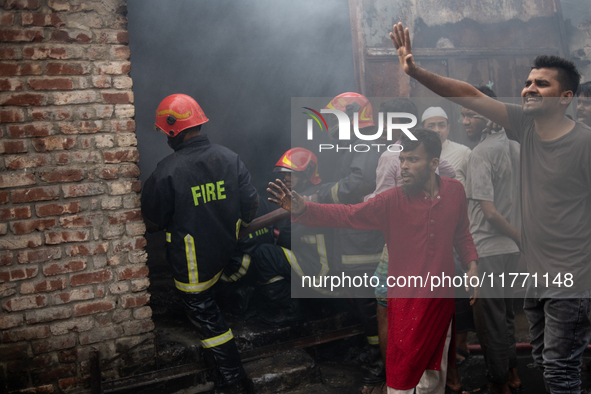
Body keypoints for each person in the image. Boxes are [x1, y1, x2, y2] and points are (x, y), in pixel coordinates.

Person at [390, 22, 591, 394]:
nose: (529, 88)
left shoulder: (584, 145)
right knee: (547, 362)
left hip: (573, 280)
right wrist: (414, 71)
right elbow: (467, 93)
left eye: (541, 84)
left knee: (560, 372)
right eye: (529, 82)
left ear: (565, 97)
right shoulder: (525, 127)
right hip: (537, 274)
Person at [268, 129, 480, 394]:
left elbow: (462, 234)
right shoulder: (392, 200)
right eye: (402, 159)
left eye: (412, 160)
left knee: (434, 378)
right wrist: (304, 209)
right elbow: (347, 215)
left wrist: (472, 264)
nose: (403, 166)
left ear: (434, 163)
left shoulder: (455, 191)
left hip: (440, 301)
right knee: (401, 381)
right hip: (405, 303)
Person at [141, 94, 258, 394]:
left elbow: (152, 221)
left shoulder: (167, 170)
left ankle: (234, 381)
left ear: (172, 132)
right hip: (229, 257)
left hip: (194, 269)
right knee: (216, 298)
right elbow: (251, 204)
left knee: (208, 320)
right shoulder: (230, 157)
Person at [362, 98, 456, 394]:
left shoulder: (390, 157)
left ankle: (396, 379)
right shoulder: (438, 160)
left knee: (388, 312)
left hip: (400, 253)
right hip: (436, 252)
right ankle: (433, 380)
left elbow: (378, 206)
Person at [316, 92, 385, 385]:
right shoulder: (356, 144)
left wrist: (323, 194)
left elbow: (358, 184)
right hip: (355, 241)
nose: (332, 124)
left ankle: (381, 364)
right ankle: (375, 356)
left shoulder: (367, 144)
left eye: (336, 118)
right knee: (364, 305)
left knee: (370, 307)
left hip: (364, 244)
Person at [463, 86, 523, 394]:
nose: (465, 121)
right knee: (507, 317)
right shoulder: (516, 148)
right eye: (463, 115)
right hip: (511, 252)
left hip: (487, 249)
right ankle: (511, 375)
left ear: (489, 115)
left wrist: (516, 234)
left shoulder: (480, 153)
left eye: (472, 114)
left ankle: (498, 385)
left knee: (490, 324)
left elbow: (488, 212)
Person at [254, 147, 335, 325]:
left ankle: (291, 309)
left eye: (291, 174)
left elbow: (287, 240)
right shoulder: (316, 193)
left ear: (307, 174)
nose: (286, 178)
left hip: (321, 273)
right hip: (325, 272)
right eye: (285, 174)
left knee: (265, 254)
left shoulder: (306, 200)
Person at [422, 106, 471, 186]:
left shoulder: (463, 152)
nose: (437, 130)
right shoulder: (417, 154)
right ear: (422, 129)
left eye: (441, 126)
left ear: (448, 128)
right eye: (431, 126)